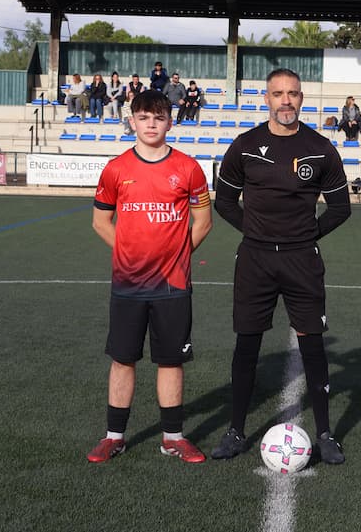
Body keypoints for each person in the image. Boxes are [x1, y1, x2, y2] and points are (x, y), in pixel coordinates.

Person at [212, 68, 351, 465]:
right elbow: (224, 202)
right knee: (247, 343)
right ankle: (236, 431)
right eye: (278, 94)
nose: (285, 100)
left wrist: (306, 235)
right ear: (267, 99)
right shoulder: (245, 146)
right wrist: (255, 231)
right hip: (254, 259)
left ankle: (325, 434)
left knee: (312, 343)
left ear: (301, 98)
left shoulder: (320, 148)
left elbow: (340, 208)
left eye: (292, 93)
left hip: (301, 259)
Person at [87, 89, 213, 464]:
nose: (151, 124)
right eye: (143, 118)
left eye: (158, 117)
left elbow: (203, 222)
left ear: (170, 122)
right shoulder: (116, 169)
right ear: (132, 122)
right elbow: (100, 221)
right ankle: (113, 437)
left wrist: (177, 255)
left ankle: (173, 438)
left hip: (173, 284)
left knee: (171, 361)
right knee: (123, 358)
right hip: (128, 284)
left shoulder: (189, 168)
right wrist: (129, 253)